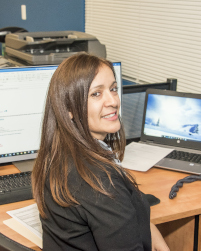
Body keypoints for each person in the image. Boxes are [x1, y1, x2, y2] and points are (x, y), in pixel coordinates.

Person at [31, 53, 170, 251]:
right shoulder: (98, 180)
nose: (112, 101)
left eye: (113, 89)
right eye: (96, 94)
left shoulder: (58, 155)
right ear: (69, 107)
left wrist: (148, 228)